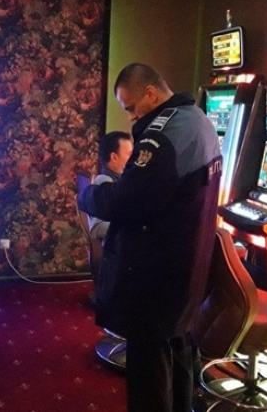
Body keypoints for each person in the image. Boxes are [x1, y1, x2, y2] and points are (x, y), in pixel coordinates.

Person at [77, 63, 222, 412]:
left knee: (149, 367)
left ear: (151, 94)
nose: (131, 117)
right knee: (179, 347)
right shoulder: (200, 120)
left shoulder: (162, 135)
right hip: (189, 264)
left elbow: (127, 201)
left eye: (131, 107)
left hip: (157, 271)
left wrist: (87, 195)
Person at [88, 131, 134, 241]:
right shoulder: (104, 183)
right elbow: (97, 228)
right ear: (114, 157)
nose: (134, 159)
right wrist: (134, 225)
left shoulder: (121, 181)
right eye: (130, 155)